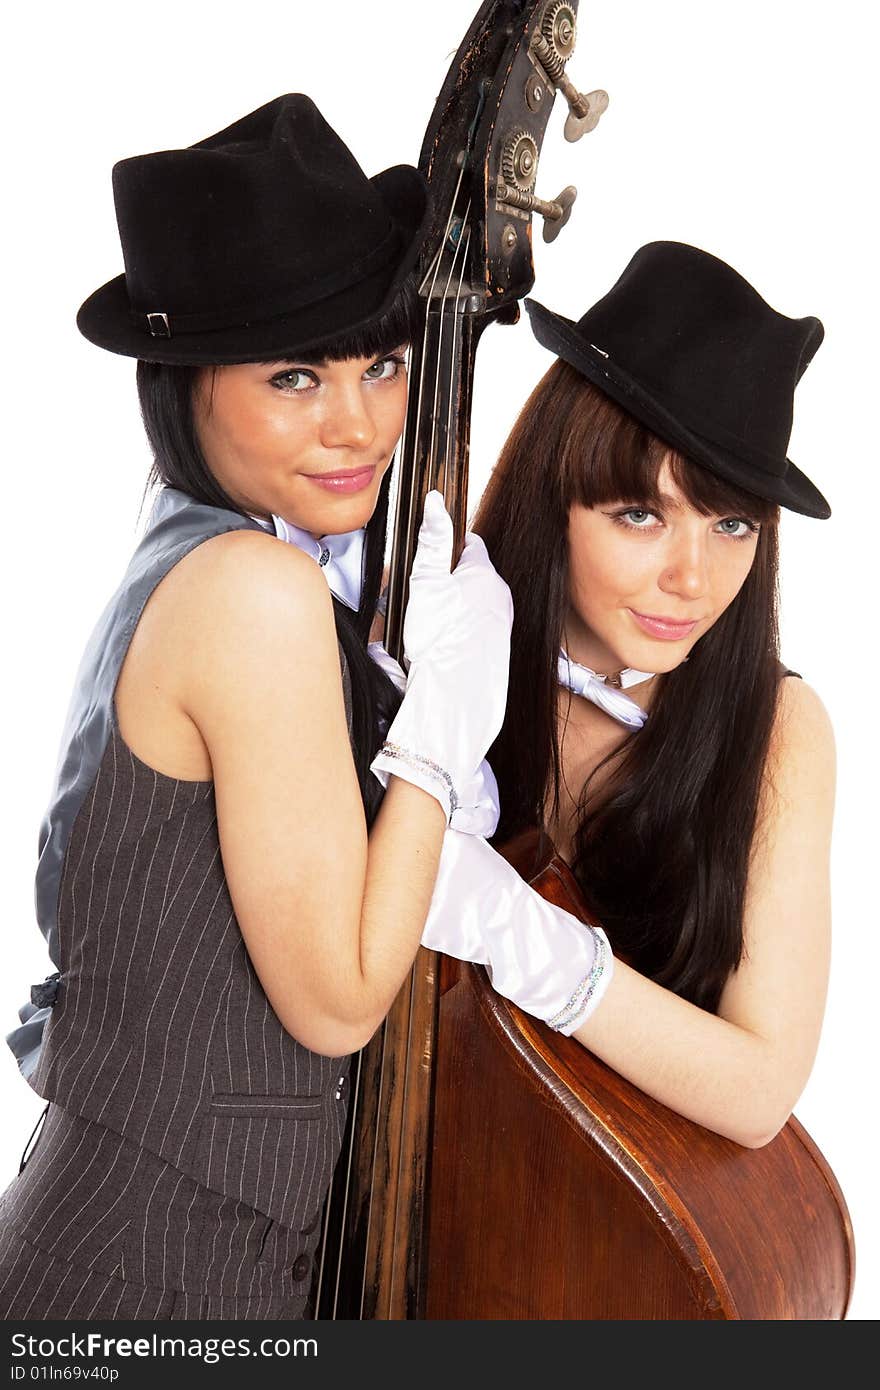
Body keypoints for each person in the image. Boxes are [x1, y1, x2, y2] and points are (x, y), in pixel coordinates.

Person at [0, 93, 528, 1321]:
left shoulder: (201, 550)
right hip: (145, 1279)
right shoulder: (254, 588)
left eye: (383, 364)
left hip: (175, 1249)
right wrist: (441, 720)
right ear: (182, 385)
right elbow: (341, 999)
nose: (359, 424)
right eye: (295, 376)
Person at [422, 241, 835, 1150]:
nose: (692, 577)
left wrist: (515, 931)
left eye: (731, 524)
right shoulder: (437, 648)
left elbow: (760, 1089)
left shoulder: (779, 731)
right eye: (641, 514)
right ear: (553, 498)